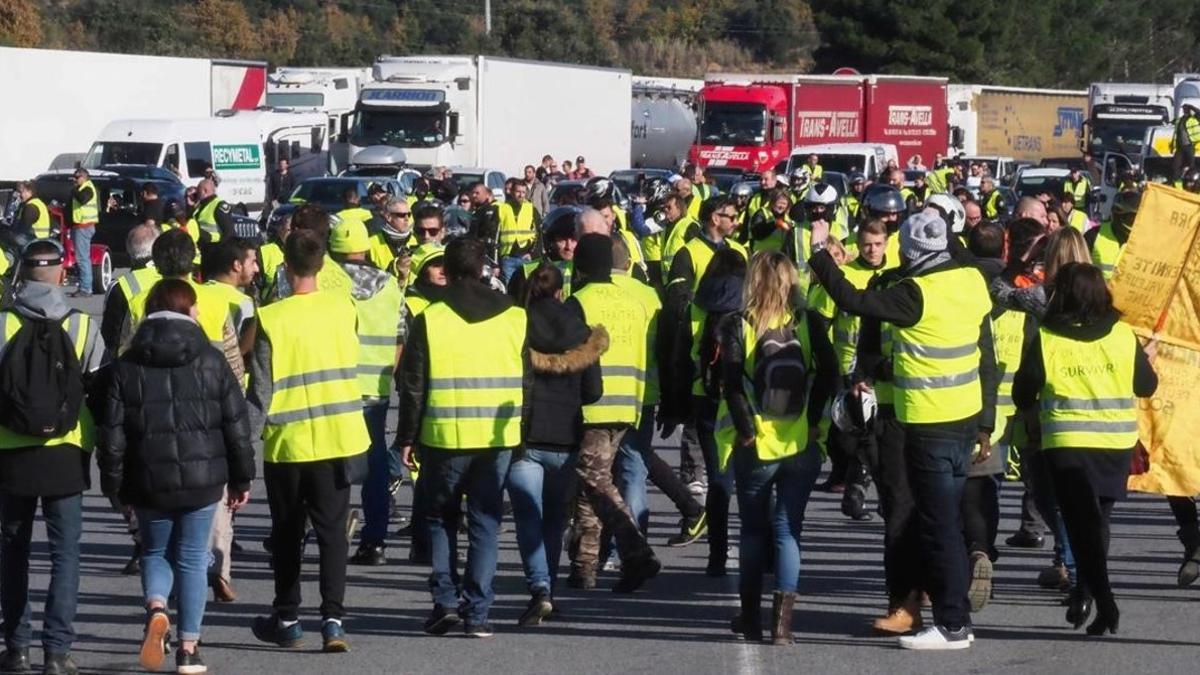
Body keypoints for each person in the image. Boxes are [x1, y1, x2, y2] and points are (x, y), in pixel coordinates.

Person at [808, 210, 998, 650]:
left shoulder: (915, 293)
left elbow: (851, 300)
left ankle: (952, 623)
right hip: (963, 420)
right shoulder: (971, 280)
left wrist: (820, 253)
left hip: (927, 421)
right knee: (945, 521)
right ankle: (951, 614)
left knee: (937, 526)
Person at [97, 278, 254, 674]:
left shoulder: (126, 365)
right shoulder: (211, 359)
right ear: (188, 311)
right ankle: (189, 649)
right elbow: (236, 425)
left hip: (146, 477)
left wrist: (113, 486)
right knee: (190, 558)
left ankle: (155, 606)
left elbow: (112, 435)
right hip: (204, 478)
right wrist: (242, 479)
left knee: (154, 551)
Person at [1012, 263, 1157, 636]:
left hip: (1068, 443)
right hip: (1114, 444)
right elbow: (1146, 386)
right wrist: (1147, 360)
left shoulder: (1047, 337)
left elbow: (1022, 392)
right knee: (1097, 523)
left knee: (1081, 526)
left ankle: (1102, 600)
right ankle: (1091, 594)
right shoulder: (1123, 335)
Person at [396, 238, 529, 638]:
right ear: (485, 270)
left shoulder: (431, 317)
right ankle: (478, 613)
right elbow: (528, 381)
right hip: (497, 438)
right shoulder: (514, 316)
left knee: (440, 520)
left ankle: (445, 603)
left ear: (448, 273)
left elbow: (413, 385)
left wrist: (407, 436)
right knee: (485, 524)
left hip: (443, 436)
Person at [247, 230, 368, 653]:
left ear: (285, 264)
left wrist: (241, 447)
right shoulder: (344, 308)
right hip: (338, 436)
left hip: (288, 442)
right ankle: (333, 621)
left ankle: (287, 617)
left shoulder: (272, 317)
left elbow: (261, 389)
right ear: (320, 266)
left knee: (287, 532)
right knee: (333, 532)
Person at [720, 250, 837, 644]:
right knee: (788, 531)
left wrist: (746, 429)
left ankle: (750, 617)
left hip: (758, 443)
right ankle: (782, 625)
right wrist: (816, 421)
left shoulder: (740, 324)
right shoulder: (808, 322)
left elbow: (733, 384)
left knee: (753, 531)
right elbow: (829, 374)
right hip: (800, 441)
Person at [0, 240, 106, 675]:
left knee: (12, 553)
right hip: (66, 453)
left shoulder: (3, 324)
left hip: (9, 454)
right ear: (62, 274)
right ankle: (57, 653)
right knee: (65, 554)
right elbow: (102, 393)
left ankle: (16, 649)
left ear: (20, 277)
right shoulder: (82, 326)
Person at [507, 263, 603, 625]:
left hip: (524, 435)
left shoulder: (516, 325)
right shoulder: (581, 332)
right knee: (553, 521)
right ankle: (549, 589)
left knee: (527, 516)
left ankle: (540, 588)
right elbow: (594, 392)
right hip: (565, 437)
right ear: (562, 291)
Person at [563, 234, 660, 592]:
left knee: (597, 482)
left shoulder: (580, 302)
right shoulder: (632, 301)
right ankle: (584, 567)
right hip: (628, 403)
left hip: (593, 406)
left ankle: (637, 552)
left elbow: (574, 358)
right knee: (593, 482)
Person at [329, 220, 404, 567]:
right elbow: (401, 337)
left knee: (331, 466)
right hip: (375, 389)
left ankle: (332, 533)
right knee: (374, 467)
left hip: (334, 387)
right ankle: (375, 541)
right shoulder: (389, 285)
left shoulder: (328, 283)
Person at [1086, 190, 1137, 280]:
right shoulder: (1093, 236)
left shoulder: (1145, 242)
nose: (1135, 222)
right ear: (1118, 215)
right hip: (1099, 293)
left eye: (1138, 217)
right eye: (1132, 218)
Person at [496, 180, 541, 283]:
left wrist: (532, 254)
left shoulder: (530, 209)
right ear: (511, 192)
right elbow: (496, 235)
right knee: (509, 288)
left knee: (527, 288)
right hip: (508, 257)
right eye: (518, 192)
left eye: (523, 192)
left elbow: (538, 233)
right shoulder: (502, 208)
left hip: (525, 257)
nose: (521, 195)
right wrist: (496, 262)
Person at [69, 168, 99, 297]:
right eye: (74, 177)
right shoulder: (83, 188)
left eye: (77, 177)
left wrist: (74, 189)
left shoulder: (87, 188)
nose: (74, 180)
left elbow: (83, 199)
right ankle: (84, 286)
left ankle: (86, 288)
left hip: (84, 226)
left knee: (82, 258)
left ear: (85, 177)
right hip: (80, 226)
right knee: (82, 257)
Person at [192, 179, 234, 248]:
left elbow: (229, 233)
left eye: (198, 191)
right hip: (202, 247)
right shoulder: (200, 205)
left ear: (205, 191)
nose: (197, 194)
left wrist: (223, 251)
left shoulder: (219, 205)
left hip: (214, 247)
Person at [1172, 104, 1200, 180]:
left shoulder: (1194, 119)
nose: (1184, 110)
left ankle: (1191, 184)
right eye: (1183, 109)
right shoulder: (1179, 120)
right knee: (1176, 167)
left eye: (1185, 109)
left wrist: (1192, 107)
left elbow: (1198, 113)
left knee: (1191, 167)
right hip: (1180, 147)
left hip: (1189, 146)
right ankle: (1178, 188)